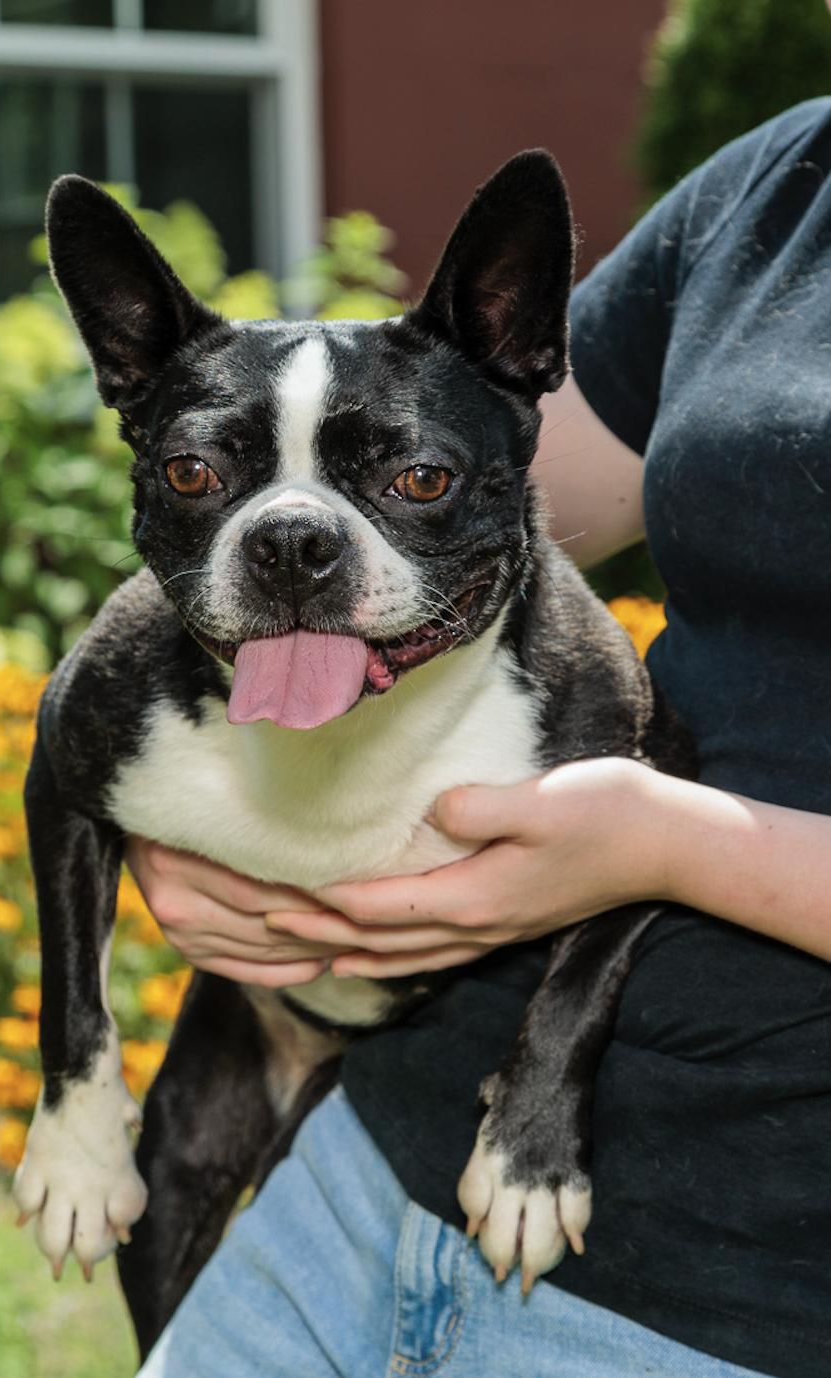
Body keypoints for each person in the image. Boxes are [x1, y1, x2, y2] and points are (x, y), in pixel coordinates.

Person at [127, 96, 831, 1378]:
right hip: (370, 1162)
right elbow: (442, 476)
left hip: (751, 1287)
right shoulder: (788, 180)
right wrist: (159, 747)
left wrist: (665, 846)